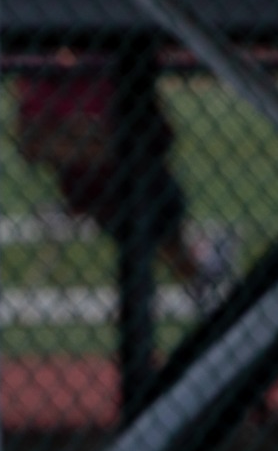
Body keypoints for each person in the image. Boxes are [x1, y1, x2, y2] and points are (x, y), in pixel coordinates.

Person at [13, 47, 231, 307]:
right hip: (97, 189)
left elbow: (148, 137)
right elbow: (31, 144)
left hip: (137, 179)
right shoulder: (41, 69)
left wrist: (74, 137)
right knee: (151, 244)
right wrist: (90, 138)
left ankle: (200, 276)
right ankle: (199, 274)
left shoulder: (107, 62)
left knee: (160, 236)